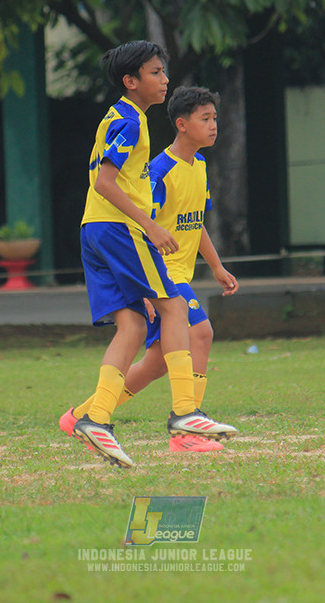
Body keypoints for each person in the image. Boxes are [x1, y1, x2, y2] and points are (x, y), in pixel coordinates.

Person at [59, 42, 236, 468]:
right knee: (174, 309)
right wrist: (151, 226)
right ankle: (185, 415)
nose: (164, 79)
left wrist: (214, 264)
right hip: (118, 228)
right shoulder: (132, 122)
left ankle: (94, 417)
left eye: (163, 71)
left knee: (134, 325)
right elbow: (105, 183)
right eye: (155, 72)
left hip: (94, 228)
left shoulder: (120, 117)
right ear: (131, 81)